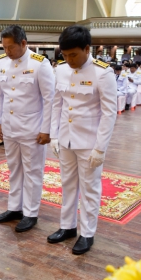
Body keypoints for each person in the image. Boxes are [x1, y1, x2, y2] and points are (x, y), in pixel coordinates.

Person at [48, 25, 117, 255]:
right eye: (64, 55)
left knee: (89, 188)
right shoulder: (60, 70)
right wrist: (54, 135)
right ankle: (67, 226)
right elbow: (56, 104)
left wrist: (100, 148)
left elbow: (109, 112)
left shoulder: (102, 73)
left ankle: (87, 233)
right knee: (67, 184)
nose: (69, 60)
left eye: (73, 55)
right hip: (66, 140)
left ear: (88, 49)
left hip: (89, 142)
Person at [0, 25, 55, 232]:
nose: (7, 52)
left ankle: (30, 213)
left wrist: (46, 129)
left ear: (24, 43)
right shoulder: (1, 63)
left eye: (11, 48)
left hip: (32, 129)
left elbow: (49, 99)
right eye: (4, 48)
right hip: (9, 128)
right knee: (14, 169)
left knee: (33, 171)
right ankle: (14, 208)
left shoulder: (40, 64)